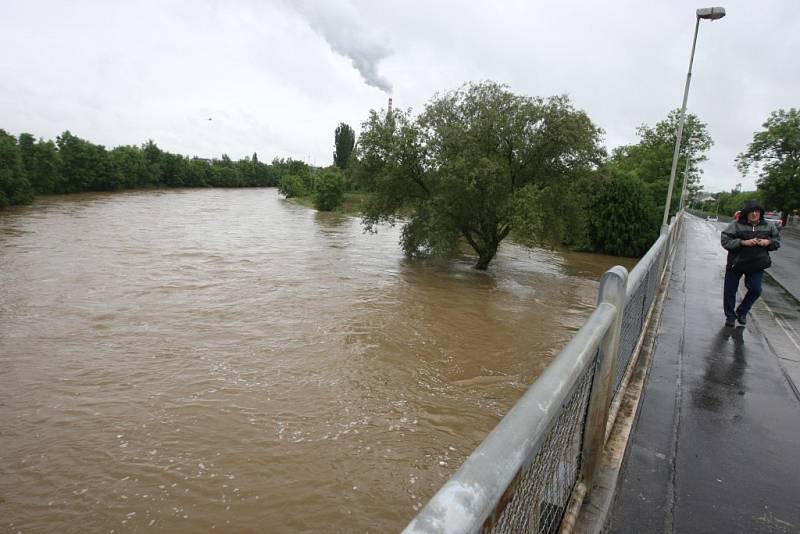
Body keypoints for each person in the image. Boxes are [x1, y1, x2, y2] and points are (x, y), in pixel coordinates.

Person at [721, 200, 781, 327]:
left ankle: (742, 312)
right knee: (730, 291)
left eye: (757, 211)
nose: (754, 214)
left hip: (756, 265)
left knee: (756, 290)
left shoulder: (769, 226)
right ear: (746, 214)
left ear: (760, 213)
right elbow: (725, 241)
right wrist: (742, 243)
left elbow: (777, 242)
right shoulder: (736, 225)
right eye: (751, 212)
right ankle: (730, 317)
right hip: (736, 264)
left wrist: (768, 242)